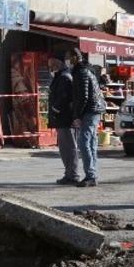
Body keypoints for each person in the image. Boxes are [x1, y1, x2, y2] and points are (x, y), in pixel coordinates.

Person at [67, 49, 106, 187]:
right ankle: (92, 174)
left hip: (90, 110)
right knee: (91, 142)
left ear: (74, 58)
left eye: (68, 58)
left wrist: (77, 116)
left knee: (84, 142)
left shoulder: (81, 72)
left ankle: (91, 175)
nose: (67, 62)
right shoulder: (85, 69)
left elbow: (83, 97)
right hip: (94, 109)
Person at [47, 56, 79, 184]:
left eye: (52, 64)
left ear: (58, 63)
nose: (50, 67)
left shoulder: (64, 77)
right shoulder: (62, 76)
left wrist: (55, 109)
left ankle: (73, 175)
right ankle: (69, 173)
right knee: (65, 148)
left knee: (68, 147)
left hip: (65, 118)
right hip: (62, 118)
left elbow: (64, 97)